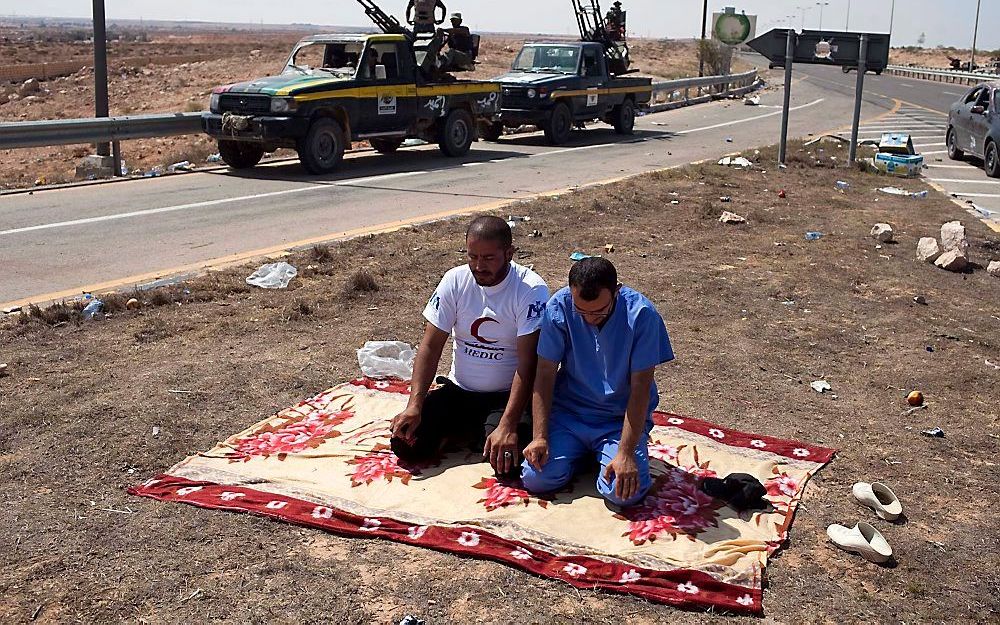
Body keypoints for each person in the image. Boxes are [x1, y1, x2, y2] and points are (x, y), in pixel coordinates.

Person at [390, 216, 549, 478]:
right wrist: (415, 405)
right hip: (460, 392)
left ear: (509, 254)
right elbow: (430, 347)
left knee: (509, 465)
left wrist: (508, 423)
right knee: (405, 444)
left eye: (488, 258)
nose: (478, 266)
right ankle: (469, 432)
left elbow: (528, 363)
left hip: (505, 397)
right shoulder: (455, 280)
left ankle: (482, 431)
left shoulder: (530, 289)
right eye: (472, 256)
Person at [521, 257, 674, 507]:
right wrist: (540, 436)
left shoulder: (642, 315)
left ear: (616, 290)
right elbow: (545, 375)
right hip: (570, 414)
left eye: (599, 311)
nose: (590, 319)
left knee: (623, 493)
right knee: (535, 478)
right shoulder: (559, 306)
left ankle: (609, 453)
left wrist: (625, 453)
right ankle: (585, 455)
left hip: (617, 419)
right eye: (581, 312)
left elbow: (640, 391)